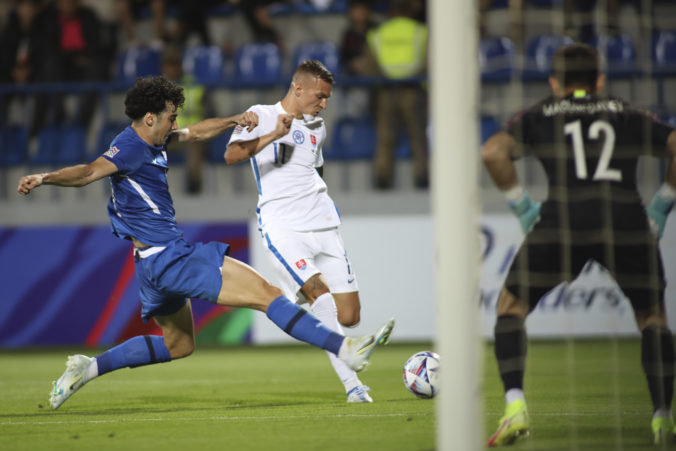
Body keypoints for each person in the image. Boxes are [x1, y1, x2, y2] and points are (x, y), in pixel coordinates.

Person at [16, 75, 395, 410]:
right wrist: (45, 177)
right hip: (171, 257)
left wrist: (233, 120)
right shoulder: (129, 147)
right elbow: (86, 173)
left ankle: (88, 367)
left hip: (150, 264)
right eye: (170, 117)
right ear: (149, 118)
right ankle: (344, 348)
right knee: (267, 294)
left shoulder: (153, 141)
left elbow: (196, 133)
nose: (175, 123)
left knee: (179, 345)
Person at [482, 43, 676, 446]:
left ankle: (515, 406)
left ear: (555, 83)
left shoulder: (541, 113)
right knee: (653, 318)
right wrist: (661, 205)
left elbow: (493, 152)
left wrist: (521, 207)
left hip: (562, 222)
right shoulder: (625, 112)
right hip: (625, 221)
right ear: (600, 80)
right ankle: (662, 417)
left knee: (511, 307)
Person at [224, 60, 376, 403]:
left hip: (323, 223)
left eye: (327, 99)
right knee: (318, 295)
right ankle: (354, 387)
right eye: (320, 96)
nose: (324, 104)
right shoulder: (260, 114)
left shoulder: (317, 127)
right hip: (283, 226)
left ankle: (345, 345)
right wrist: (274, 134)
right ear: (298, 88)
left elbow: (314, 168)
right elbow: (232, 155)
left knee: (350, 316)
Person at [366, 0, 429, 189]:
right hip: (412, 90)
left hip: (386, 91)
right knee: (418, 138)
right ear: (409, 11)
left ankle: (383, 180)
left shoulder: (377, 34)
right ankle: (422, 179)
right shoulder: (421, 32)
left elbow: (370, 66)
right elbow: (428, 63)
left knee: (385, 139)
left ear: (391, 11)